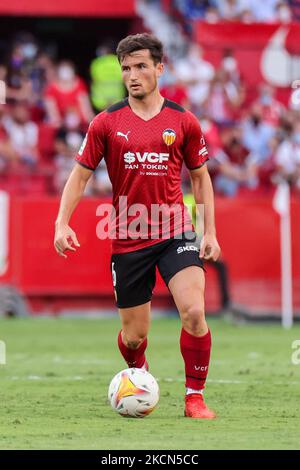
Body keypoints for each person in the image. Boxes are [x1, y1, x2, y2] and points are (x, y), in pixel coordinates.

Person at [54, 33, 221, 419]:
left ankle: (194, 398)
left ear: (160, 68)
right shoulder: (106, 123)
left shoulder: (183, 121)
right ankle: (139, 372)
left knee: (194, 313)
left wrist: (209, 231)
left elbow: (201, 178)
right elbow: (79, 177)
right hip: (129, 238)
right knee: (134, 336)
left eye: (141, 66)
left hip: (175, 231)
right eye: (126, 68)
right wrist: (62, 223)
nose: (133, 75)